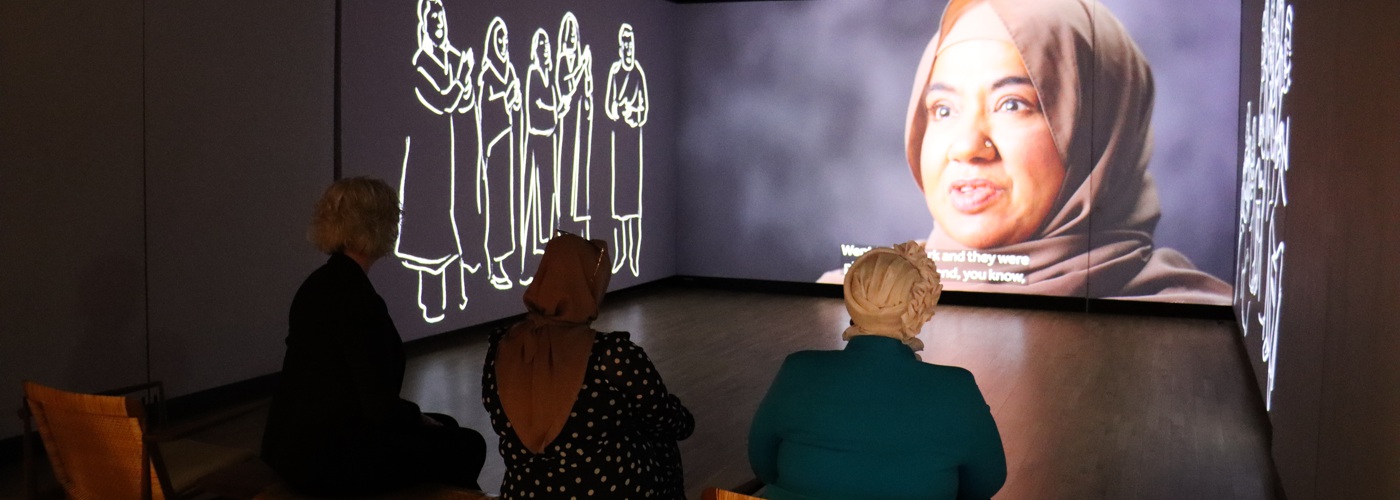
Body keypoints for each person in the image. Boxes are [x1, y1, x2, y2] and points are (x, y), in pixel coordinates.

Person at [825, 0, 1231, 304]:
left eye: (1013, 104)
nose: (967, 147)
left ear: (1101, 125)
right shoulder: (851, 302)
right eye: (943, 110)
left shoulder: (1199, 329)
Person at [262, 177, 487, 496]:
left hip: (289, 444)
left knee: (446, 428)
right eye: (394, 218)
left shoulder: (318, 283)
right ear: (377, 227)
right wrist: (418, 418)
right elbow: (377, 406)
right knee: (467, 444)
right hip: (330, 457)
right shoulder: (357, 300)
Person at [754, 241, 1006, 499]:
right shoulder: (956, 389)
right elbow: (986, 483)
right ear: (920, 306)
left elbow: (762, 463)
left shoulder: (798, 370)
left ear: (852, 297)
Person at [482, 232, 694, 499]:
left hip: (523, 492)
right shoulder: (612, 356)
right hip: (614, 491)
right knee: (659, 440)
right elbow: (673, 422)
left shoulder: (502, 347)